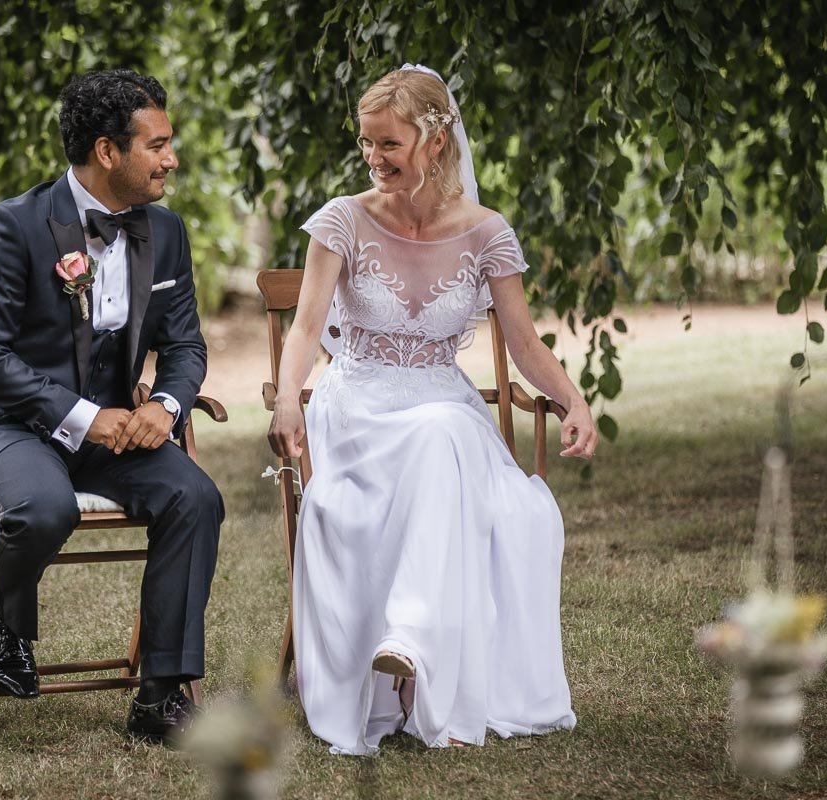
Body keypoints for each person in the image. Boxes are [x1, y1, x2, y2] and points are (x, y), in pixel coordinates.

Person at [267, 64, 596, 754]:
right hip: (358, 406)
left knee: (463, 451)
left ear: (435, 141)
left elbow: (525, 342)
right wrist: (289, 404)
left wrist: (573, 400)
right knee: (444, 437)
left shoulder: (486, 233)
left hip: (440, 406)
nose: (373, 158)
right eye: (366, 143)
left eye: (389, 144)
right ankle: (409, 642)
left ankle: (411, 644)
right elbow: (304, 329)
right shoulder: (342, 221)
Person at [0, 69, 222, 741]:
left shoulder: (167, 231)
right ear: (107, 151)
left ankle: (159, 699)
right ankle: (5, 615)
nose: (171, 158)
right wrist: (81, 414)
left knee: (196, 497)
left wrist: (167, 405)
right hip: (7, 424)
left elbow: (184, 346)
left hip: (112, 429)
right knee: (44, 508)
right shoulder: (14, 227)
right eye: (157, 145)